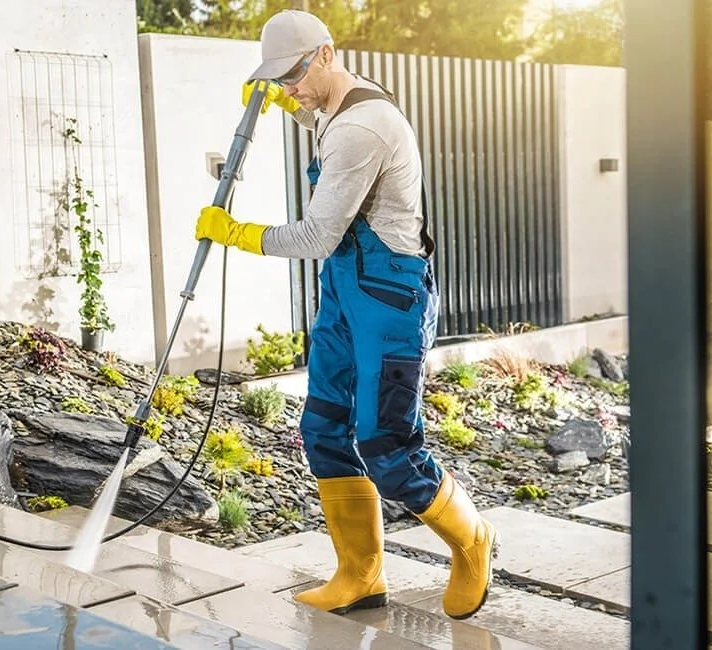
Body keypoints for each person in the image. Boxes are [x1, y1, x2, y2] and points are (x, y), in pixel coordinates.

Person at [193, 9, 498, 621]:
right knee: (325, 427)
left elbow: (316, 236)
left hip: (389, 299)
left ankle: (472, 542)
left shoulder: (366, 126)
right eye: (279, 80)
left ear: (326, 54)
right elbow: (321, 118)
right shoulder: (336, 107)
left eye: (295, 75)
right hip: (344, 296)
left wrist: (237, 234)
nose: (290, 87)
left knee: (386, 443)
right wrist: (291, 107)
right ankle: (360, 575)